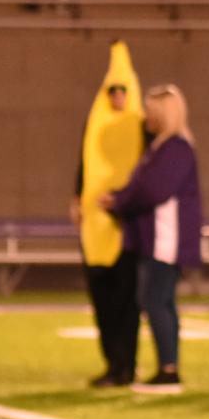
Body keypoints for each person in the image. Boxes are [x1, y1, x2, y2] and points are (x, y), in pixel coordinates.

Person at [102, 84, 202, 393]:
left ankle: (168, 371)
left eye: (152, 110)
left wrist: (117, 202)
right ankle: (167, 367)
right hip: (154, 238)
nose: (146, 116)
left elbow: (152, 190)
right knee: (160, 301)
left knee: (155, 300)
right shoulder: (161, 146)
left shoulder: (176, 147)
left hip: (165, 240)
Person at [72, 41, 146, 387]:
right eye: (112, 90)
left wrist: (119, 200)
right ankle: (111, 363)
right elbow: (85, 168)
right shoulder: (95, 126)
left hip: (126, 229)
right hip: (95, 229)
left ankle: (126, 365)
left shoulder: (141, 128)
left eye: (123, 90)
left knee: (125, 303)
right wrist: (77, 198)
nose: (118, 96)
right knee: (102, 303)